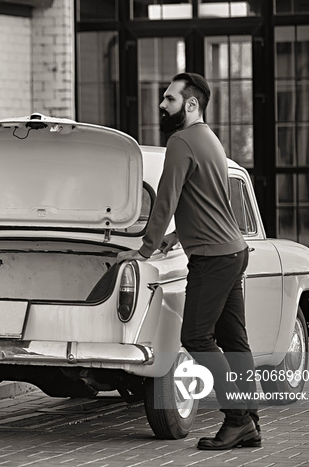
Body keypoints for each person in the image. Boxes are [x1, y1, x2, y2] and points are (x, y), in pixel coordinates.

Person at [116, 72, 260, 450]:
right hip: (233, 250)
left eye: (169, 99)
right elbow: (208, 200)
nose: (162, 105)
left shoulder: (180, 141)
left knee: (196, 336)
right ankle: (251, 422)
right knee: (233, 339)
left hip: (214, 258)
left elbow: (166, 200)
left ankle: (237, 419)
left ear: (190, 104)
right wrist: (176, 237)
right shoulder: (209, 138)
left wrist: (145, 249)